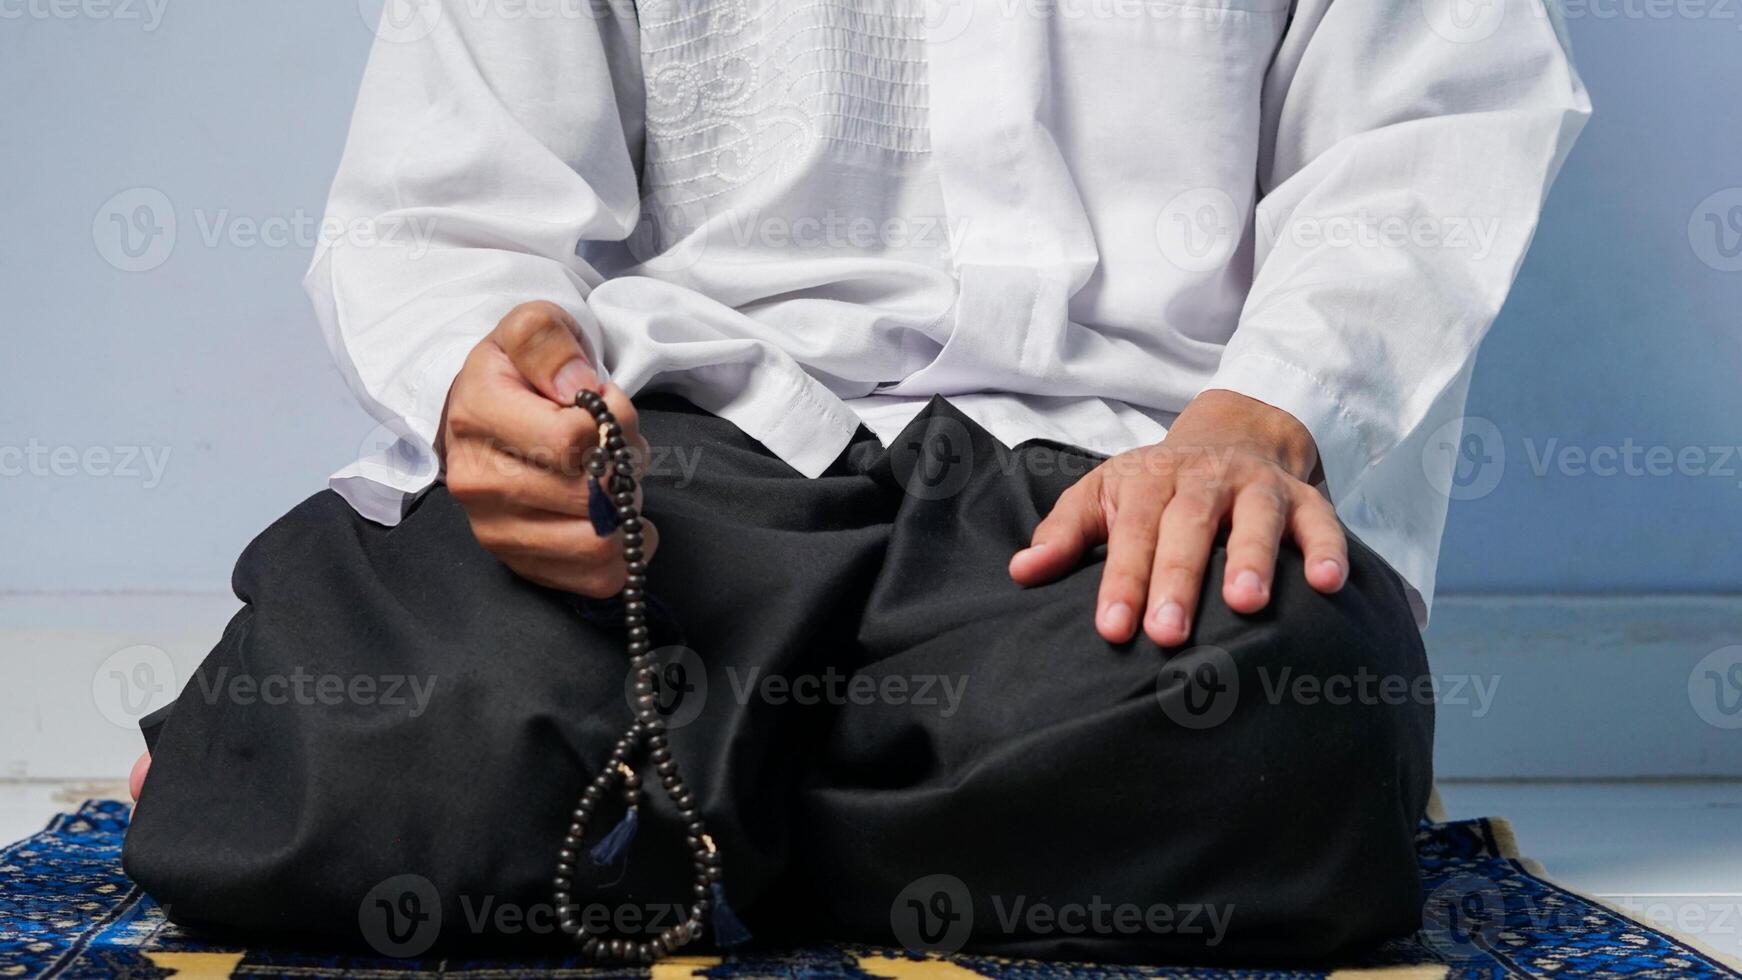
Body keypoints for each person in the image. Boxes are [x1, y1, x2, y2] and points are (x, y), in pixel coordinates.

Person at [122, 0, 1589, 965]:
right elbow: (447, 209)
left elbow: (1429, 131)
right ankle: (909, 804)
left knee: (1267, 701)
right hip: (696, 449)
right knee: (351, 704)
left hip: (1126, 475)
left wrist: (1260, 419)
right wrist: (487, 378)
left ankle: (599, 795)